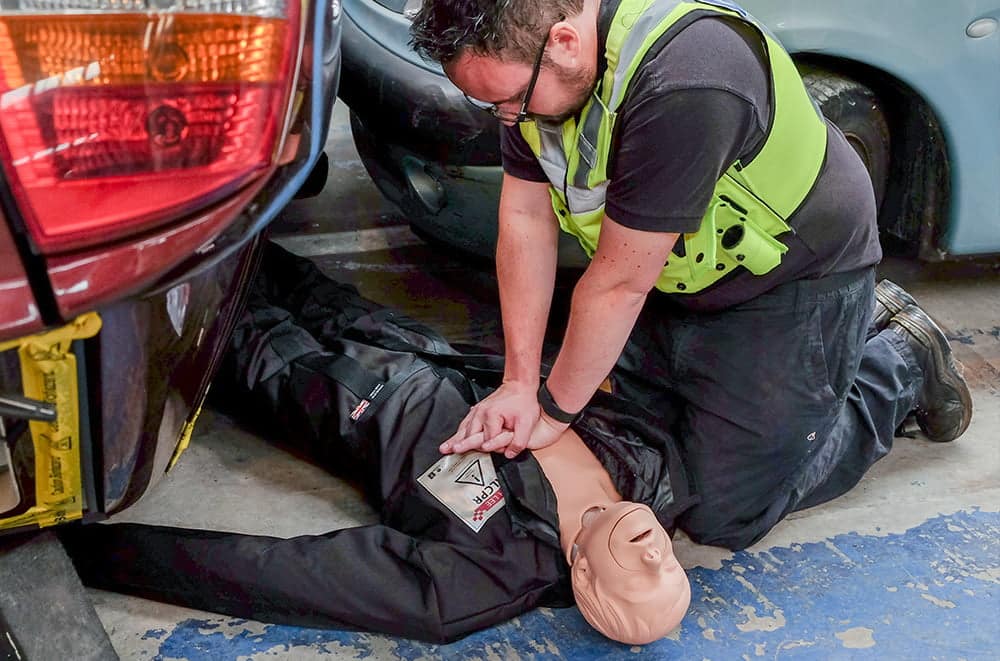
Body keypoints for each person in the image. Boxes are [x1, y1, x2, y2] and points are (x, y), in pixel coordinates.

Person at [408, 0, 973, 549]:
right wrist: (517, 381)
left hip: (793, 281)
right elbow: (525, 220)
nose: (510, 119)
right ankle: (828, 360)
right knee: (647, 446)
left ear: (564, 41)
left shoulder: (686, 80)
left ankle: (898, 358)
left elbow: (616, 285)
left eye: (511, 102)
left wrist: (551, 411)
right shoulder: (536, 73)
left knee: (723, 510)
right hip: (676, 277)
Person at [59, 244, 695, 645]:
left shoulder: (482, 577)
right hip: (409, 341)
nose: (656, 560)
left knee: (176, 297)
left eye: (640, 585)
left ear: (584, 579)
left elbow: (281, 575)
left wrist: (70, 555)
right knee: (241, 244)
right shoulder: (653, 470)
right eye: (671, 570)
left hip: (318, 387)